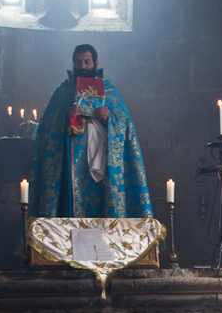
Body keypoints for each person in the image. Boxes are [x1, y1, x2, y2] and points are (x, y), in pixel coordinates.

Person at [29, 44, 153, 219]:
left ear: (95, 62)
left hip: (102, 160)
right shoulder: (63, 92)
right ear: (73, 64)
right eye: (78, 62)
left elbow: (125, 125)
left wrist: (109, 117)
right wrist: (66, 115)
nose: (83, 67)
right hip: (71, 163)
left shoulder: (110, 91)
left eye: (87, 62)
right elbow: (47, 127)